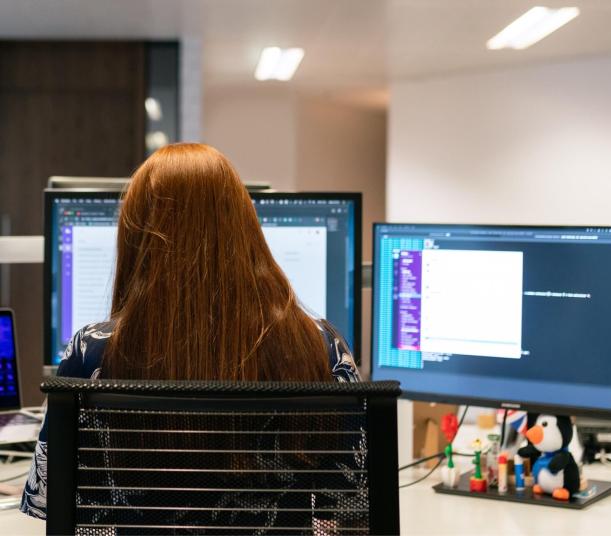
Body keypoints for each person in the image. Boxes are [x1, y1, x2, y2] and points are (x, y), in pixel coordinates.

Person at [20, 143, 360, 519]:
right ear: (246, 228)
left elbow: (49, 500)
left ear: (137, 239)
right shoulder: (321, 346)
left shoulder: (91, 351)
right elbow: (354, 506)